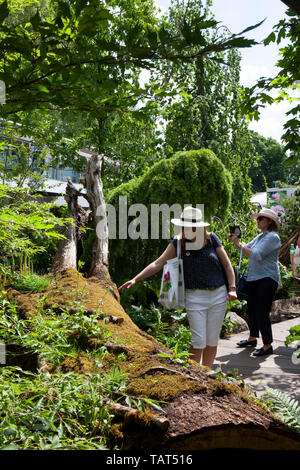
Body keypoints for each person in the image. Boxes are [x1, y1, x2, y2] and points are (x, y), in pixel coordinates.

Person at [118, 206, 237, 368]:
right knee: (199, 341)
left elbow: (227, 265)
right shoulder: (178, 243)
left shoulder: (212, 239)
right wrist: (135, 279)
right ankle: (194, 375)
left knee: (212, 339)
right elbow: (158, 263)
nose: (183, 228)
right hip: (194, 297)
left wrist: (232, 288)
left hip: (218, 295)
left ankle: (208, 375)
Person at [229, 207, 281, 357]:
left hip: (267, 278)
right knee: (251, 309)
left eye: (260, 219)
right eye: (257, 218)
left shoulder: (272, 237)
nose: (257, 221)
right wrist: (237, 243)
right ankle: (252, 338)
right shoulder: (260, 237)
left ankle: (267, 345)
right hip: (254, 278)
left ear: (269, 221)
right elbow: (246, 249)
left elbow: (256, 255)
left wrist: (240, 244)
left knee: (261, 311)